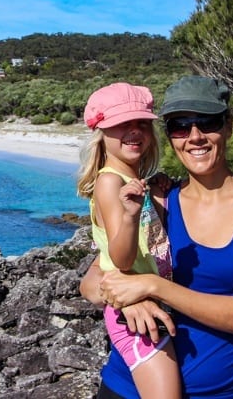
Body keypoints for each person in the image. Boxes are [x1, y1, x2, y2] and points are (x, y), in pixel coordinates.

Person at [80, 75, 233, 399]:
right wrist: (127, 298)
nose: (195, 137)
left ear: (228, 126)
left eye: (208, 122)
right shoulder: (159, 201)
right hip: (125, 387)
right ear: (169, 136)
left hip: (223, 392)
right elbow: (92, 280)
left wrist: (151, 286)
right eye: (180, 126)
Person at [78, 82, 181, 399]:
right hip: (131, 308)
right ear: (101, 133)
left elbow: (149, 243)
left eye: (141, 124)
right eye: (122, 124)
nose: (134, 131)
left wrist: (155, 193)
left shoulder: (132, 182)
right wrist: (129, 215)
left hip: (146, 301)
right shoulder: (109, 182)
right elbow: (121, 259)